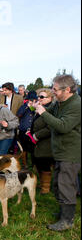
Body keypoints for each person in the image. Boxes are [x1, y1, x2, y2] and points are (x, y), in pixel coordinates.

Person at [33, 75, 81, 231]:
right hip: (60, 150)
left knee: (66, 184)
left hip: (70, 152)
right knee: (58, 184)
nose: (52, 92)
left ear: (67, 90)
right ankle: (63, 212)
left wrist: (43, 113)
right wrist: (39, 107)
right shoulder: (59, 102)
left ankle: (67, 220)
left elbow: (63, 126)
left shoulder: (76, 105)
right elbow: (50, 114)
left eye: (55, 89)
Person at [27, 88, 55, 194]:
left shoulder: (51, 109)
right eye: (38, 97)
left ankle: (46, 188)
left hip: (46, 141)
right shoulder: (40, 108)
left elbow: (50, 127)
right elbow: (37, 122)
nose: (39, 98)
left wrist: (36, 135)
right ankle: (42, 184)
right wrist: (31, 130)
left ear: (50, 98)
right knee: (38, 162)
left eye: (42, 97)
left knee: (45, 164)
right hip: (37, 141)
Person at [16, 91, 38, 167]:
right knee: (24, 148)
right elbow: (19, 114)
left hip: (32, 131)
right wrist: (27, 106)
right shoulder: (24, 106)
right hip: (23, 130)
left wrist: (34, 106)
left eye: (34, 100)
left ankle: (33, 164)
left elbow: (36, 113)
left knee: (33, 149)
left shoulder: (37, 106)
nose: (32, 101)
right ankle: (25, 164)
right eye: (31, 100)